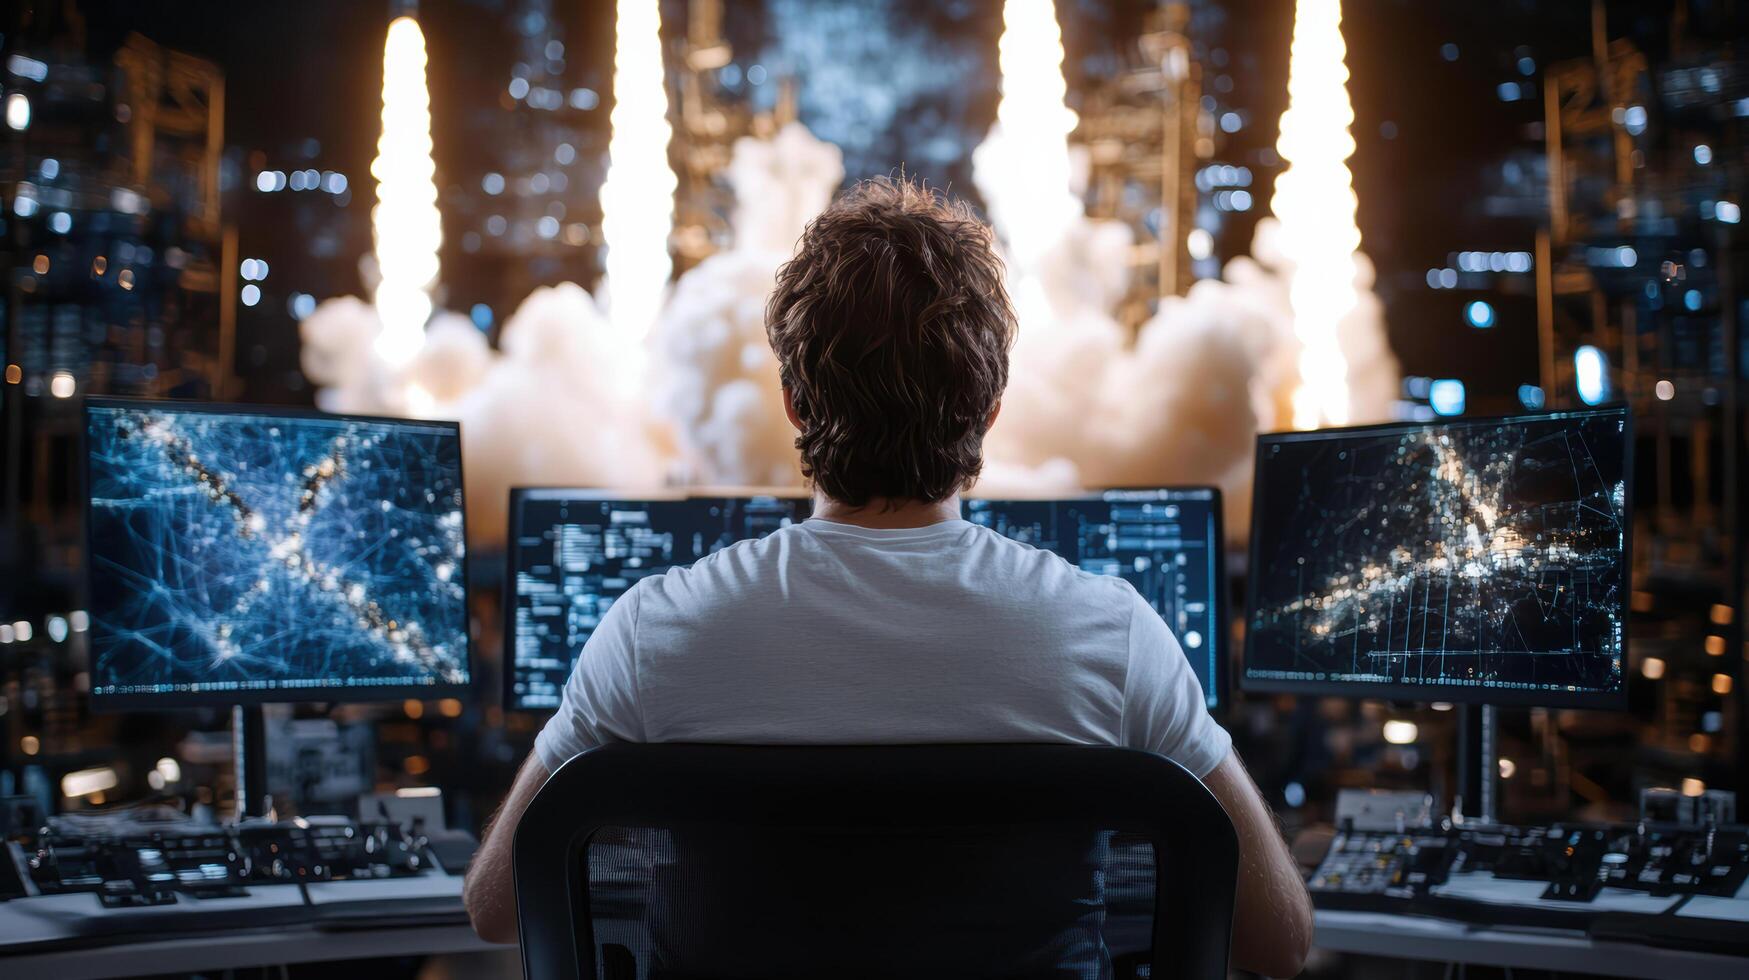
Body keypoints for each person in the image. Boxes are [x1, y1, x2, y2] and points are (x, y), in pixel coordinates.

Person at [464, 176, 1313, 977]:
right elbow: (1277, 940)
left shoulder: (655, 630)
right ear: (988, 410)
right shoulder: (1111, 633)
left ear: (794, 403)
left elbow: (496, 907)